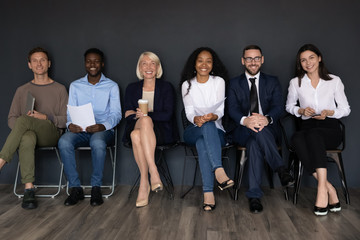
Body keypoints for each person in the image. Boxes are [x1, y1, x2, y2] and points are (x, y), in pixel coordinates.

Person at [227, 45, 294, 213]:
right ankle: (280, 169)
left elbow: (279, 107)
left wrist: (266, 119)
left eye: (256, 58)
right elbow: (232, 109)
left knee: (254, 144)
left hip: (267, 129)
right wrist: (245, 120)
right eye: (249, 58)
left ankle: (254, 197)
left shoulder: (272, 81)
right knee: (255, 130)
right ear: (243, 61)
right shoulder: (234, 83)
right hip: (242, 130)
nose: (253, 62)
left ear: (262, 59)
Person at [286, 44, 350, 216]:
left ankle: (321, 192)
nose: (308, 63)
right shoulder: (296, 82)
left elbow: (345, 109)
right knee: (296, 139)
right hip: (307, 126)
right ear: (300, 64)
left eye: (311, 58)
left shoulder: (334, 81)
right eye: (303, 60)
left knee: (314, 136)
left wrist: (330, 112)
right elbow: (289, 106)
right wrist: (300, 110)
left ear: (319, 58)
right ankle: (329, 188)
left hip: (330, 128)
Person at [0, 47, 68, 209]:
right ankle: (29, 190)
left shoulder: (59, 89)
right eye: (35, 61)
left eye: (42, 60)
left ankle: (1, 162)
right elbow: (11, 119)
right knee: (26, 136)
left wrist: (44, 117)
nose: (39, 63)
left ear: (49, 63)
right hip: (28, 134)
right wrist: (28, 123)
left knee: (24, 121)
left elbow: (66, 120)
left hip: (51, 133)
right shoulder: (22, 90)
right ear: (29, 65)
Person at [58, 48, 121, 207]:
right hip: (80, 130)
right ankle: (75, 188)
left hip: (102, 131)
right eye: (89, 61)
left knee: (98, 143)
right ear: (85, 64)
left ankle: (96, 188)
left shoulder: (112, 86)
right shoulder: (75, 86)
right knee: (64, 142)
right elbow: (70, 112)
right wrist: (70, 125)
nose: (92, 64)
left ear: (102, 64)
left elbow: (116, 114)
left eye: (96, 61)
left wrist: (102, 126)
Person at [180, 47, 234, 211]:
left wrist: (212, 116)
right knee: (203, 131)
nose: (204, 64)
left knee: (203, 141)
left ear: (213, 64)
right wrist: (196, 119)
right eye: (200, 60)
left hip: (216, 131)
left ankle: (208, 193)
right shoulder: (187, 84)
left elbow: (220, 110)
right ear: (194, 64)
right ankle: (219, 170)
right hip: (193, 129)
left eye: (208, 61)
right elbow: (189, 112)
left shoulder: (219, 82)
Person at [123, 51, 178, 208]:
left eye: (152, 63)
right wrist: (138, 115)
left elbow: (167, 114)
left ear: (158, 67)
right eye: (144, 63)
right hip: (138, 124)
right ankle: (153, 172)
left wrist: (145, 115)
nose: (148, 67)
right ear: (139, 68)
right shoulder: (132, 88)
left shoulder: (166, 87)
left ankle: (144, 182)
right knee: (142, 123)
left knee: (135, 135)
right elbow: (127, 114)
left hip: (161, 132)